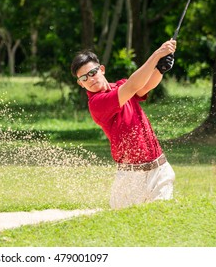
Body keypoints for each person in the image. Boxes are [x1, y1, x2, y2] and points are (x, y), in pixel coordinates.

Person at [70, 39, 177, 209]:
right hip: (131, 177)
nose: (90, 79)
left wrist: (160, 69)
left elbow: (144, 86)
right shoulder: (97, 104)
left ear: (102, 69)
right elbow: (133, 85)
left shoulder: (119, 86)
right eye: (84, 78)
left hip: (159, 169)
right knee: (126, 228)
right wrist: (157, 54)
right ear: (80, 83)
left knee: (162, 219)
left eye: (92, 72)